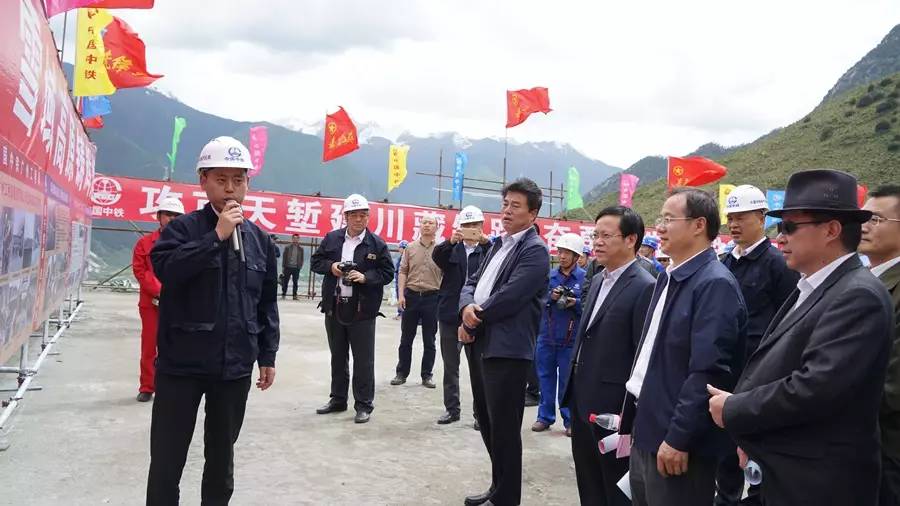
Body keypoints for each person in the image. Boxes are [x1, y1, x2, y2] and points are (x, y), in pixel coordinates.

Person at [709, 169, 893, 506]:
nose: (781, 238)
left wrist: (736, 408)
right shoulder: (810, 286)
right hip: (783, 470)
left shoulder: (857, 296)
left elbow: (815, 388)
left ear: (832, 230)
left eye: (789, 227)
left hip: (819, 483)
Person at [147, 136, 280, 505]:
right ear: (202, 181)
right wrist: (216, 236)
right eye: (221, 179)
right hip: (181, 367)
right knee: (167, 461)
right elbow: (167, 270)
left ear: (248, 184)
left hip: (234, 368)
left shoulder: (260, 241)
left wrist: (267, 354)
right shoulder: (183, 229)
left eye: (238, 180)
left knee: (221, 461)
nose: (230, 189)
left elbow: (266, 303)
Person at [620, 188, 748, 506]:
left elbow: (707, 371)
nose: (659, 227)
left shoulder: (714, 284)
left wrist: (679, 437)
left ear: (698, 225)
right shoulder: (669, 276)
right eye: (659, 219)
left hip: (675, 439)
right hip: (647, 425)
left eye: (668, 219)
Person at [458, 178, 550, 506]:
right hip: (482, 342)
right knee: (485, 417)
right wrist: (465, 307)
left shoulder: (535, 251)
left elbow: (511, 297)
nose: (507, 211)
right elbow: (472, 281)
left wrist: (474, 316)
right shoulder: (499, 243)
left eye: (516, 206)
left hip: (508, 350)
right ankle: (499, 488)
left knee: (505, 427)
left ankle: (508, 497)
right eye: (505, 204)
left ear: (533, 213)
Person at [562, 206, 655, 506]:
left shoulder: (644, 286)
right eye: (595, 235)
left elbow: (641, 358)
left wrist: (628, 415)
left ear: (631, 240)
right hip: (583, 401)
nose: (597, 242)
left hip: (613, 410)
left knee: (614, 490)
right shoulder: (600, 279)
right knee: (588, 483)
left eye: (606, 235)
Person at [714, 184, 799, 506]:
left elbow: (789, 322)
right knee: (725, 450)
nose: (734, 224)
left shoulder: (778, 264)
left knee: (754, 453)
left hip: (761, 377)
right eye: (730, 217)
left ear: (762, 217)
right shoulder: (724, 263)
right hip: (727, 372)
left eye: (742, 217)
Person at [310, 193, 394, 424]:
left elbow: (387, 273)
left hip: (362, 310)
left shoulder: (377, 244)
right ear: (345, 216)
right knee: (338, 356)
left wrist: (365, 277)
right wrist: (333, 266)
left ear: (368, 217)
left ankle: (364, 404)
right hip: (335, 306)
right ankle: (338, 399)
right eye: (354, 215)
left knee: (363, 359)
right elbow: (316, 262)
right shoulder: (332, 239)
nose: (359, 219)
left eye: (363, 215)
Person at [859, 185, 900, 506]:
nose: (864, 226)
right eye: (863, 217)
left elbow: (892, 385)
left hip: (887, 445)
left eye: (875, 219)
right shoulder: (867, 281)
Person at [432, 206, 490, 425]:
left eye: (475, 225)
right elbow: (437, 257)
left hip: (477, 315)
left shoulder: (488, 251)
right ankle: (452, 409)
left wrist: (485, 242)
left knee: (479, 367)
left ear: (482, 227)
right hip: (449, 314)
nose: (471, 230)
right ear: (459, 227)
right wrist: (450, 241)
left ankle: (480, 414)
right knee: (450, 365)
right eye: (466, 226)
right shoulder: (451, 250)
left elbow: (498, 259)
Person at [532, 233, 586, 436]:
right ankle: (544, 417)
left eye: (567, 253)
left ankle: (570, 420)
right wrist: (550, 298)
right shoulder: (549, 277)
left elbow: (589, 306)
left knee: (567, 381)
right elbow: (538, 302)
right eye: (560, 252)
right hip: (547, 337)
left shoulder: (584, 278)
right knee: (544, 378)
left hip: (570, 340)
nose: (562, 256)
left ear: (576, 256)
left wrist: (576, 303)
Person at [132, 196, 184, 403]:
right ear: (159, 216)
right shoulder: (144, 243)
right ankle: (147, 386)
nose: (171, 219)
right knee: (149, 345)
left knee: (176, 345)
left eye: (175, 216)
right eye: (167, 215)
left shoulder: (186, 244)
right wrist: (161, 291)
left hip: (179, 303)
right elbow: (140, 270)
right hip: (150, 304)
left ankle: (172, 387)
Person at [391, 215, 443, 388]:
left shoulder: (442, 249)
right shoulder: (410, 248)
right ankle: (401, 373)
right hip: (411, 296)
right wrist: (401, 295)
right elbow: (402, 271)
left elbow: (447, 275)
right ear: (420, 226)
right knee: (406, 338)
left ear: (437, 227)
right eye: (424, 222)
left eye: (431, 223)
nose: (427, 225)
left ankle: (426, 375)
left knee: (430, 339)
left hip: (432, 298)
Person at [281, 233, 304, 300]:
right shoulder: (287, 247)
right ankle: (283, 294)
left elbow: (302, 258)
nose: (295, 240)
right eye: (294, 238)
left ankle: (294, 295)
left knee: (295, 282)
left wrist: (300, 265)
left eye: (297, 238)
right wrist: (283, 266)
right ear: (292, 239)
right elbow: (284, 257)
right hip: (288, 267)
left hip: (296, 267)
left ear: (298, 239)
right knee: (285, 281)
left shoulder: (301, 249)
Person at [393, 240, 408, 320]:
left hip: (403, 280)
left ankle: (402, 314)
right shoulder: (400, 257)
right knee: (399, 296)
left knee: (402, 296)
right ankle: (400, 313)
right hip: (397, 278)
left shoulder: (406, 258)